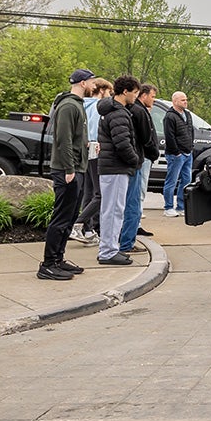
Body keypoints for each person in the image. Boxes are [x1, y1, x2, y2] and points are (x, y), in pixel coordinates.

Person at [38, 68, 95, 280]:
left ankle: (58, 259)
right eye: (91, 81)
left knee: (70, 217)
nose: (94, 85)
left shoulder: (77, 105)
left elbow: (75, 138)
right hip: (67, 171)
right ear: (82, 83)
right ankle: (48, 264)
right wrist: (69, 168)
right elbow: (63, 140)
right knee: (61, 218)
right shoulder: (69, 105)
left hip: (77, 168)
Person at [96, 76, 141, 266]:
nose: (136, 97)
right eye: (135, 92)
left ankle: (110, 248)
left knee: (112, 210)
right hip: (115, 167)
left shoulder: (112, 111)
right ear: (125, 91)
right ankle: (108, 252)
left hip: (111, 167)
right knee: (114, 210)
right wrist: (135, 160)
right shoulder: (119, 113)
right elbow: (122, 143)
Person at [73, 77, 112, 244]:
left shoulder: (82, 104)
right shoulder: (98, 107)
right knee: (101, 194)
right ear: (101, 90)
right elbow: (96, 132)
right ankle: (78, 224)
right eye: (109, 92)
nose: (110, 95)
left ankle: (88, 231)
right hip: (96, 151)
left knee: (88, 193)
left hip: (85, 153)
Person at [121, 82, 159, 249]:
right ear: (143, 95)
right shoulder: (138, 111)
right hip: (139, 159)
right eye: (152, 96)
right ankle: (127, 241)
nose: (154, 100)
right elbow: (146, 137)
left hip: (136, 158)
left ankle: (127, 237)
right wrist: (153, 152)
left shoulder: (133, 110)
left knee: (131, 199)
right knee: (134, 200)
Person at [162, 91, 194, 217]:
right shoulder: (170, 117)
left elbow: (190, 131)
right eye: (183, 100)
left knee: (186, 180)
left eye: (186, 99)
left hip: (188, 152)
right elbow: (169, 136)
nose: (185, 102)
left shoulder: (187, 114)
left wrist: (191, 147)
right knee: (172, 180)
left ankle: (181, 206)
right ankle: (168, 207)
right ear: (175, 101)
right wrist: (176, 152)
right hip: (176, 154)